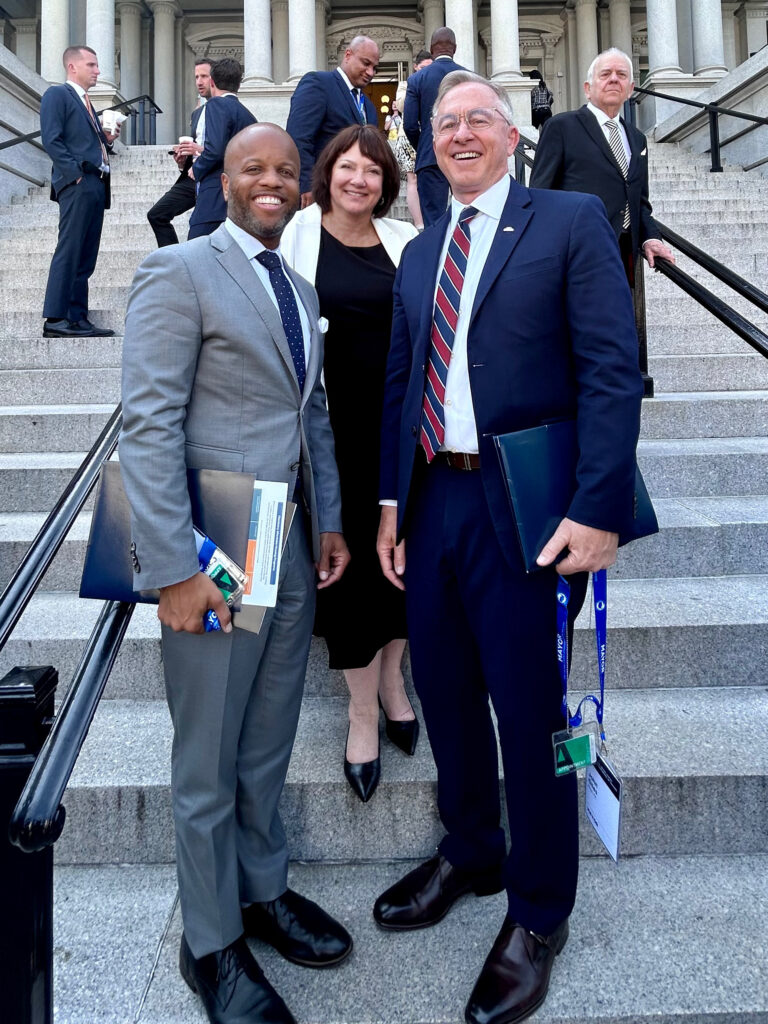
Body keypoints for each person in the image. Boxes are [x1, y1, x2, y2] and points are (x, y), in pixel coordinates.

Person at [375, 71, 643, 1024]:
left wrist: (599, 505)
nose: (458, 135)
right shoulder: (418, 252)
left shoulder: (567, 221)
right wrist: (387, 505)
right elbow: (404, 381)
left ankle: (538, 911)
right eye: (443, 124)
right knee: (446, 696)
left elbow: (614, 370)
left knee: (530, 717)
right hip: (434, 504)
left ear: (513, 133)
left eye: (477, 119)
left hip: (529, 509)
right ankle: (471, 850)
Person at [119, 123, 352, 1024]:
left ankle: (261, 890)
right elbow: (148, 421)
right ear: (220, 178)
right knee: (208, 753)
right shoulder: (180, 272)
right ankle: (210, 941)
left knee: (265, 739)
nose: (271, 181)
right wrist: (173, 567)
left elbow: (311, 415)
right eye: (253, 167)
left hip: (285, 541)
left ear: (302, 188)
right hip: (215, 541)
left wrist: (326, 520)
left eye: (286, 171)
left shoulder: (296, 284)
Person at [281, 125, 419, 804]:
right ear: (327, 173)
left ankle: (394, 679)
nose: (359, 179)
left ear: (386, 182)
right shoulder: (298, 238)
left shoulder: (403, 243)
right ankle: (361, 709)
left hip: (400, 432)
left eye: (373, 170)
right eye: (348, 167)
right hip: (327, 436)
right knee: (346, 571)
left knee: (400, 563)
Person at [530, 47, 674, 284]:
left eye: (621, 75)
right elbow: (539, 195)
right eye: (605, 74)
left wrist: (651, 238)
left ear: (630, 89)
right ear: (588, 89)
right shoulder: (561, 127)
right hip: (577, 255)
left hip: (625, 256)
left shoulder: (638, 138)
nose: (614, 79)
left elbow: (639, 201)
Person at [40, 45, 120, 338]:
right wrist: (74, 176)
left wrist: (106, 139)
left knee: (86, 255)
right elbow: (52, 139)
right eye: (92, 65)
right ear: (72, 67)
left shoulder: (86, 102)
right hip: (78, 183)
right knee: (70, 249)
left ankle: (77, 317)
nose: (98, 71)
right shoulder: (57, 95)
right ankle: (55, 318)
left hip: (97, 183)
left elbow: (82, 142)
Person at [286, 35, 379, 206]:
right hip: (321, 193)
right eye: (366, 64)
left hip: (356, 198)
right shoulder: (319, 83)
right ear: (348, 55)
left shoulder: (369, 107)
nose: (370, 73)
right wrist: (306, 184)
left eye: (375, 68)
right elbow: (298, 137)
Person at [187, 58, 256, 239]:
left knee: (196, 254)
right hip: (237, 199)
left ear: (212, 82)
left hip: (214, 198)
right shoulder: (248, 115)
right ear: (238, 84)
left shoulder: (215, 104)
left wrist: (197, 167)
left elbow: (215, 149)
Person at [146, 59, 212, 247]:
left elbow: (225, 148)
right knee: (157, 214)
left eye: (204, 76)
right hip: (191, 177)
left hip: (213, 176)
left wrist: (200, 151)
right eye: (196, 77)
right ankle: (173, 262)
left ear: (215, 79)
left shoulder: (223, 109)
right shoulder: (197, 113)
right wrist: (182, 160)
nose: (199, 81)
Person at [404, 27, 464, 227]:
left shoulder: (416, 79)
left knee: (433, 221)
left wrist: (424, 144)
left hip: (430, 156)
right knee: (470, 214)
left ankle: (437, 256)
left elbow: (410, 125)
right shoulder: (469, 77)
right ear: (454, 49)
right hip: (466, 154)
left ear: (431, 49)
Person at [394, 50, 433, 230]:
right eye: (424, 68)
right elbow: (402, 106)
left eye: (430, 68)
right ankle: (419, 224)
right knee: (413, 179)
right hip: (408, 136)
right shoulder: (407, 84)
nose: (427, 71)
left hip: (429, 137)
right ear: (416, 67)